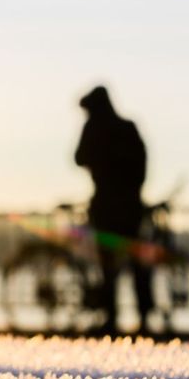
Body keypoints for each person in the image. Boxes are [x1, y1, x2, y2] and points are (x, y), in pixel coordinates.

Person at [75, 85, 154, 333]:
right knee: (135, 263)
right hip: (131, 206)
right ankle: (144, 318)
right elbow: (142, 165)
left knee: (108, 265)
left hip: (105, 207)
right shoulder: (127, 128)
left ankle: (111, 319)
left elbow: (79, 158)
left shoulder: (94, 127)